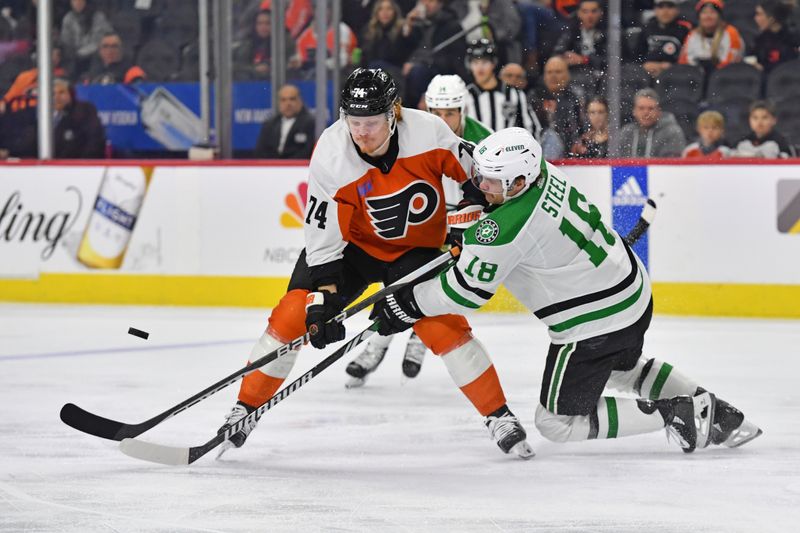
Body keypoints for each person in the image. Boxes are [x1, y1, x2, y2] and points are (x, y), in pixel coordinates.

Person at [371, 126, 763, 455]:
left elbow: (465, 292)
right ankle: (722, 416)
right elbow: (498, 219)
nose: (480, 185)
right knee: (624, 369)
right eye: (481, 176)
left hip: (594, 325)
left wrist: (407, 304)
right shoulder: (544, 170)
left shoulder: (503, 229)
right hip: (631, 292)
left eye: (490, 181)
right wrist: (478, 210)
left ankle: (677, 413)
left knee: (556, 423)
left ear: (519, 181)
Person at [218, 68, 534, 459]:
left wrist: (472, 213)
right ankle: (245, 409)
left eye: (370, 122)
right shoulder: (331, 156)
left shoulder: (429, 132)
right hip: (353, 250)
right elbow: (322, 236)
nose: (362, 132)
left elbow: (477, 178)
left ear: (393, 114)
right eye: (354, 121)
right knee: (293, 314)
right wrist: (325, 297)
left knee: (441, 325)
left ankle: (498, 415)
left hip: (415, 252)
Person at [344, 73, 493, 388]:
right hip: (422, 225)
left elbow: (492, 191)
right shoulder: (408, 131)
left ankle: (415, 340)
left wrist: (472, 220)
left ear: (461, 111)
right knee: (399, 281)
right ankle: (378, 343)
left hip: (462, 226)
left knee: (429, 291)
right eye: (435, 112)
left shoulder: (483, 142)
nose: (442, 119)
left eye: (449, 113)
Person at [0, 77, 106, 158]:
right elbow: (25, 143)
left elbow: (94, 142)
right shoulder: (33, 113)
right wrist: (9, 152)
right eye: (52, 93)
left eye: (62, 92)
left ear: (71, 94)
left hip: (74, 168)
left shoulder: (84, 111)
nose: (57, 97)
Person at [464, 38, 542, 139]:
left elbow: (531, 128)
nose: (480, 68)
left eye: (484, 62)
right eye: (475, 62)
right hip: (475, 153)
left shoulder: (515, 95)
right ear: (469, 65)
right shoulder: (464, 95)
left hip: (508, 152)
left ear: (493, 63)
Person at [401, 0, 466, 108]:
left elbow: (453, 60)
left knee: (417, 73)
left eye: (430, 1)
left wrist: (418, 63)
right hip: (410, 64)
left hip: (436, 69)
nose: (426, 4)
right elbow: (400, 50)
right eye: (423, 1)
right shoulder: (417, 23)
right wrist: (408, 25)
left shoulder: (451, 25)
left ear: (440, 4)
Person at [530, 55, 583, 156]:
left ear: (567, 76)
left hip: (567, 148)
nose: (553, 76)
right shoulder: (534, 97)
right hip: (537, 146)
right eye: (549, 72)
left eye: (558, 72)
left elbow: (579, 128)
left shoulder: (574, 98)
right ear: (544, 76)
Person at [552, 0, 607, 95]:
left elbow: (612, 59)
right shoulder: (572, 29)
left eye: (593, 11)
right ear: (579, 13)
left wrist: (584, 59)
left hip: (602, 76)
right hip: (575, 74)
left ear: (600, 13)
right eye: (585, 11)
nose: (589, 16)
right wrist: (564, 57)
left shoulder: (608, 32)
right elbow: (558, 51)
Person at [612, 88, 686, 158]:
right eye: (641, 108)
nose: (646, 113)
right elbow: (617, 161)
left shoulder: (672, 132)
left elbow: (670, 165)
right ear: (634, 111)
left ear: (659, 111)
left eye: (650, 108)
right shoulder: (626, 132)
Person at [678, 0, 744, 74]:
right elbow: (684, 62)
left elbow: (732, 61)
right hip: (696, 77)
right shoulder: (693, 34)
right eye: (704, 13)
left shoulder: (731, 32)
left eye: (712, 12)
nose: (708, 16)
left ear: (719, 16)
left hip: (724, 78)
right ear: (699, 17)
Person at [253, 84, 315, 159]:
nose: (288, 104)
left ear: (300, 101)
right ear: (279, 103)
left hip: (298, 168)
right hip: (271, 168)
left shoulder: (310, 124)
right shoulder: (269, 124)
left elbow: (308, 151)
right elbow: (260, 151)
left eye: (292, 99)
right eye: (283, 100)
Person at [636, 0, 693, 79]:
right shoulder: (647, 28)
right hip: (647, 73)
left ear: (677, 10)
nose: (665, 11)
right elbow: (637, 54)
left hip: (676, 75)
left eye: (670, 6)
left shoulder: (685, 29)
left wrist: (671, 66)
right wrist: (644, 64)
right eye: (661, 7)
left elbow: (689, 57)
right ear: (655, 10)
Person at [234, 9, 296, 80]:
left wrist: (269, 67)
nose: (263, 27)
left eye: (268, 23)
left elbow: (289, 64)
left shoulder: (285, 43)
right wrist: (254, 69)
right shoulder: (247, 43)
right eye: (259, 23)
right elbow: (236, 65)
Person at [60, 0, 113, 79]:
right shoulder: (68, 18)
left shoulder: (98, 17)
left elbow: (98, 42)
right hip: (75, 58)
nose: (77, 3)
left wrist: (80, 53)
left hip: (93, 55)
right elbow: (66, 42)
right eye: (74, 1)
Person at [357, 0, 413, 73]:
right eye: (381, 9)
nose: (385, 12)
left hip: (396, 72)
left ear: (395, 12)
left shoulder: (403, 30)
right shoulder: (369, 31)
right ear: (376, 12)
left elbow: (398, 55)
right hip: (373, 71)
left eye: (389, 9)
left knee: (376, 66)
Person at [732, 100, 796, 158]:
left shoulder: (781, 142)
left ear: (774, 120)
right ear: (749, 120)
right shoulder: (743, 141)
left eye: (764, 117)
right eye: (755, 118)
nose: (759, 122)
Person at [752, 0, 799, 75]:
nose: (755, 18)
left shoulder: (792, 38)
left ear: (772, 18)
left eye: (759, 14)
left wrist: (764, 68)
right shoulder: (760, 39)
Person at [81, 32, 146, 85]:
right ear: (99, 50)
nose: (110, 50)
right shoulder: (90, 75)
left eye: (114, 46)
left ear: (121, 49)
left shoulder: (133, 72)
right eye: (105, 46)